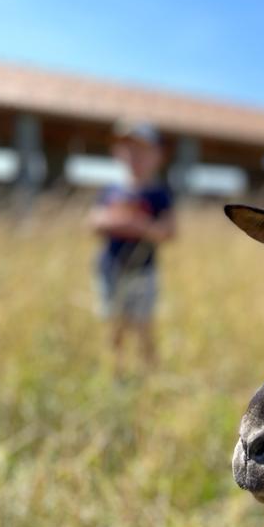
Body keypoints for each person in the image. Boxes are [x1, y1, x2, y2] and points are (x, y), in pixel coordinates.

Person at [89, 121, 175, 374]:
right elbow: (94, 221)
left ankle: (150, 371)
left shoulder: (158, 194)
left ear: (158, 156)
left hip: (142, 271)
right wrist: (117, 221)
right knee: (113, 323)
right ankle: (116, 370)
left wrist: (138, 225)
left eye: (142, 150)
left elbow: (169, 231)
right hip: (110, 268)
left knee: (143, 324)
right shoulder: (110, 190)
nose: (135, 156)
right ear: (117, 153)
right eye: (128, 149)